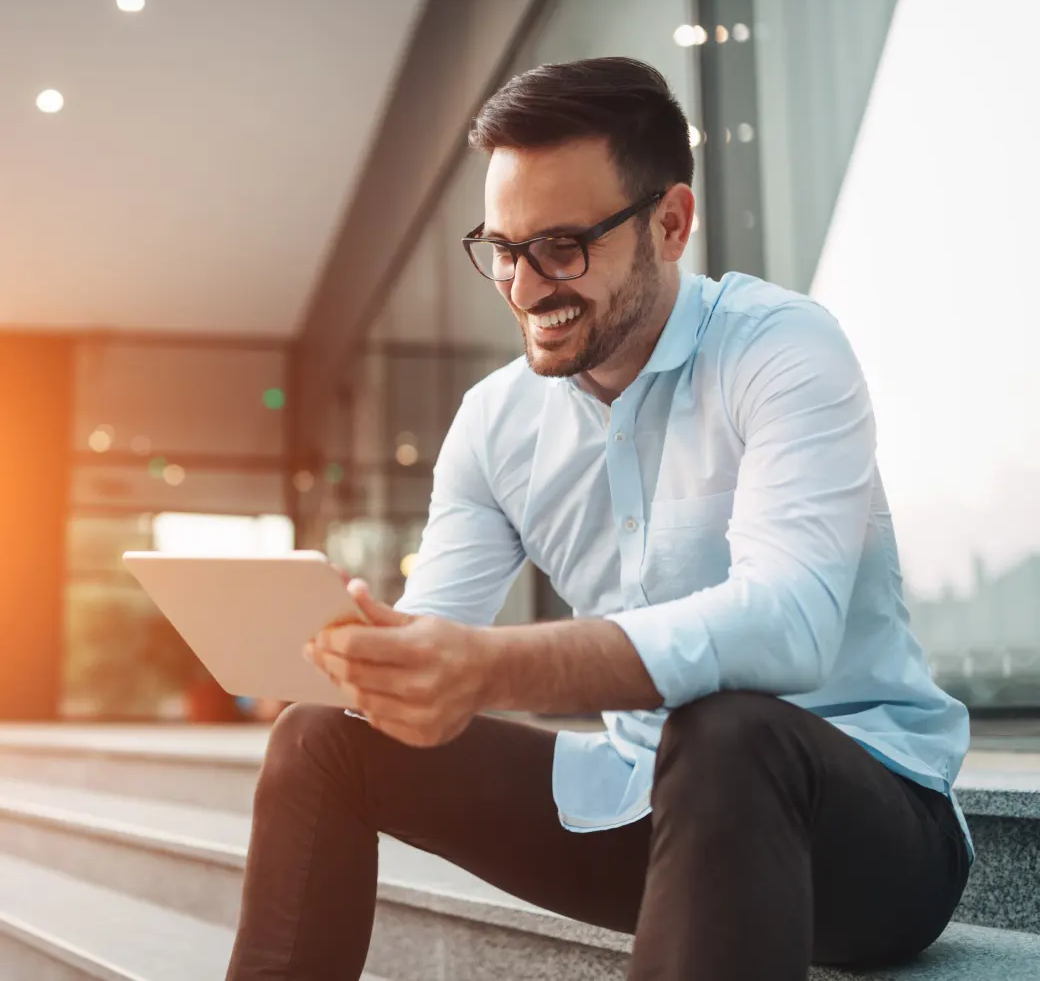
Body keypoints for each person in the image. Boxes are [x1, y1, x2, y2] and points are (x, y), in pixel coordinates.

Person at [225, 57, 972, 981]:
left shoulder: (781, 348)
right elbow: (438, 645)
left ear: (670, 223)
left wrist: (492, 666)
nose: (526, 288)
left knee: (727, 726)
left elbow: (790, 625)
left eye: (563, 247)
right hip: (642, 806)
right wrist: (368, 661)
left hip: (871, 829)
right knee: (318, 740)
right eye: (503, 248)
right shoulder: (497, 423)